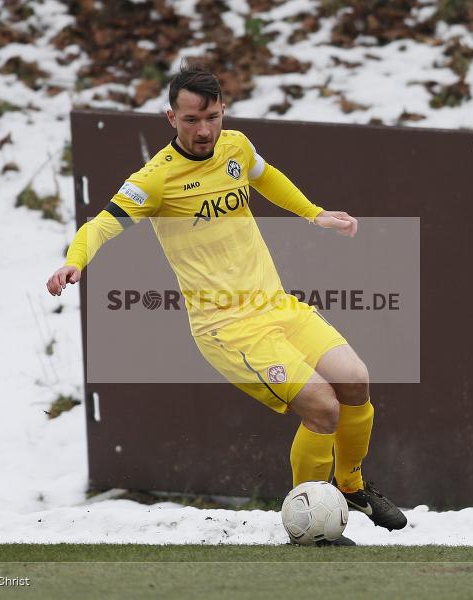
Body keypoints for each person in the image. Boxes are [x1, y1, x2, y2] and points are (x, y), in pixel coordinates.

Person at [46, 63, 406, 545]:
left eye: (212, 117)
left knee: (355, 380)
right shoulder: (156, 179)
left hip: (276, 306)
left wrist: (314, 214)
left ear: (223, 112)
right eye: (192, 119)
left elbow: (266, 176)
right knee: (322, 406)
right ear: (169, 117)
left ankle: (352, 486)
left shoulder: (235, 146)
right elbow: (103, 222)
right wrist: (76, 261)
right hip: (228, 329)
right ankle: (314, 518)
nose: (204, 130)